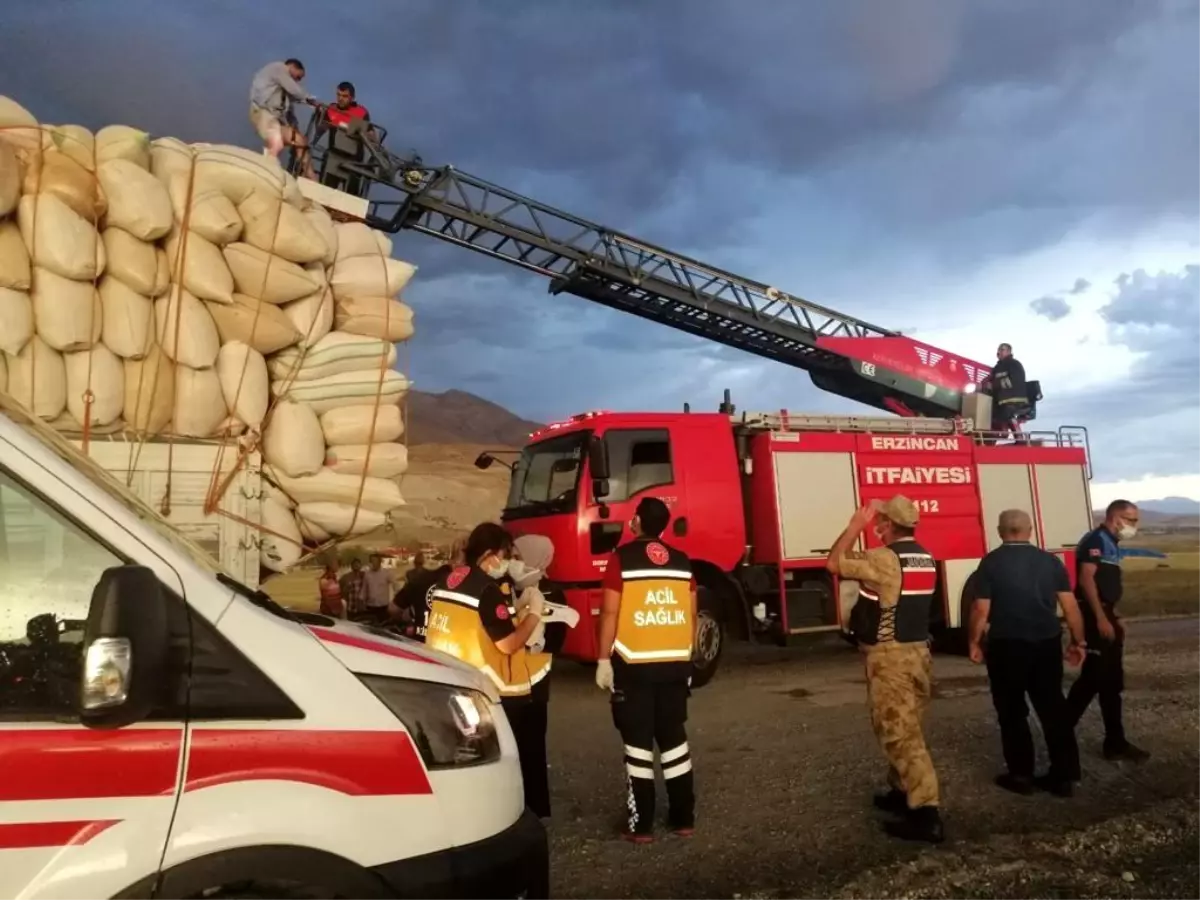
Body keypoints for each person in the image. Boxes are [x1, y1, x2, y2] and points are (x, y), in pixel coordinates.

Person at [826, 496, 944, 844]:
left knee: (899, 732)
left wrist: (854, 528)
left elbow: (835, 564)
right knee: (907, 724)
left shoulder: (884, 559)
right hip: (918, 653)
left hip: (891, 658)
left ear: (889, 525)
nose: (877, 527)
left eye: (881, 522)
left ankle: (926, 812)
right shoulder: (924, 557)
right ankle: (901, 791)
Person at [596, 497, 697, 843]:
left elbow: (610, 613)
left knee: (638, 746)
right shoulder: (683, 562)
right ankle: (683, 818)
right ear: (665, 527)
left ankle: (641, 825)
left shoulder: (621, 558)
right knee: (674, 742)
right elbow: (692, 615)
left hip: (634, 666)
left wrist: (602, 659)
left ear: (636, 521)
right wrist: (688, 660)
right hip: (674, 665)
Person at [968, 509, 1087, 797]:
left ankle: (1021, 775)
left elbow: (981, 609)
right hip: (1045, 643)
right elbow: (1070, 607)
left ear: (1000, 531)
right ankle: (1064, 777)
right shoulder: (1050, 562)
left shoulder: (990, 563)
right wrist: (1078, 642)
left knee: (1011, 712)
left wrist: (973, 641)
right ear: (1030, 530)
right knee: (1053, 708)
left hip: (1006, 645)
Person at [425, 524, 546, 802]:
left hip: (451, 682)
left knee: (464, 761)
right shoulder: (487, 589)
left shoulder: (449, 580)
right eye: (504, 555)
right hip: (490, 691)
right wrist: (534, 614)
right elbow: (509, 643)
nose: (505, 562)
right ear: (490, 554)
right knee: (497, 764)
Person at [1065, 500, 1149, 763]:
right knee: (1092, 680)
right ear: (1115, 517)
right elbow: (1086, 579)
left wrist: (1115, 616)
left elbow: (1106, 584)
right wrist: (1101, 618)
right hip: (1095, 616)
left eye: (1135, 520)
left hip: (1106, 613)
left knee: (1111, 683)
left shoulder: (1112, 543)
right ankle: (1059, 731)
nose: (1134, 525)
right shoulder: (1096, 539)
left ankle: (1115, 742)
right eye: (1130, 519)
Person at [505, 533, 571, 819]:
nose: (514, 562)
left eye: (520, 557)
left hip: (535, 679)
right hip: (506, 680)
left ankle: (536, 809)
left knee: (532, 746)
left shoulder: (554, 594)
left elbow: (557, 640)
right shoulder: (507, 589)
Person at [249, 58, 321, 178]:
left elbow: (289, 109)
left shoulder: (282, 88)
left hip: (271, 118)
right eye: (298, 77)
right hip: (263, 114)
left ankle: (308, 176)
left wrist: (295, 126)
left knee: (299, 141)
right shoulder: (279, 69)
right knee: (281, 142)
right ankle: (310, 177)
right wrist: (310, 100)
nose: (298, 81)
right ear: (293, 68)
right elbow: (295, 90)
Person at [986, 343, 1029, 432]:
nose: (998, 352)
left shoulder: (1014, 364)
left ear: (1009, 352)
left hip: (1013, 399)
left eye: (1002, 350)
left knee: (1004, 414)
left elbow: (1014, 381)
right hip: (1001, 399)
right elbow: (990, 379)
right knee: (987, 412)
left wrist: (994, 385)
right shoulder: (998, 367)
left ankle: (1018, 438)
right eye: (998, 350)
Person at [362, 554, 394, 623]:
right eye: (372, 561)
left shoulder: (386, 573)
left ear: (379, 562)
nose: (373, 563)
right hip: (370, 605)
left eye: (375, 561)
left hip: (383, 606)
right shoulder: (367, 574)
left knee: (383, 626)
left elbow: (395, 585)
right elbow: (364, 588)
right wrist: (362, 601)